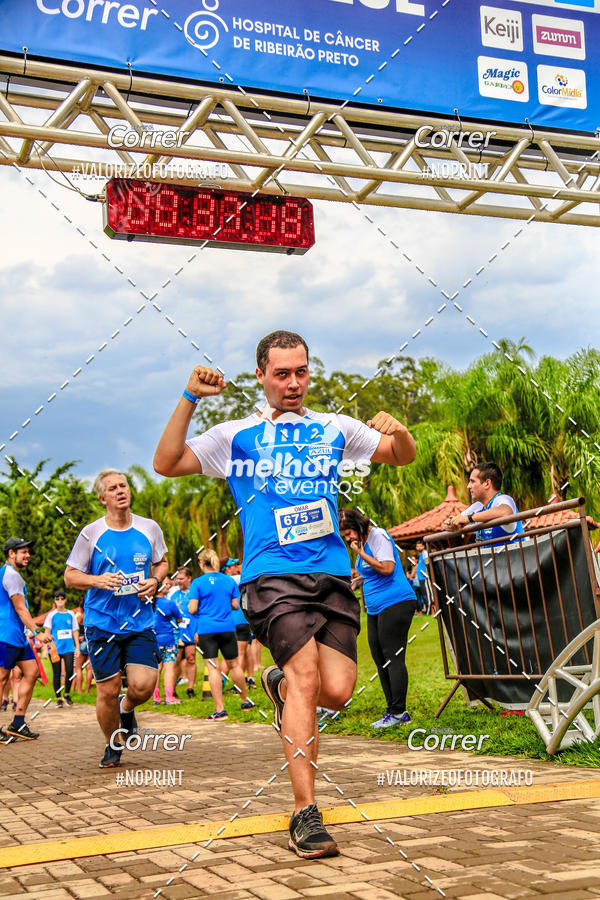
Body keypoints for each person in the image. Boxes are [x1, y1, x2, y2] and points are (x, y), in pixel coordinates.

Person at [153, 329, 415, 859]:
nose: (293, 383)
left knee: (338, 691)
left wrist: (400, 429)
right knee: (307, 679)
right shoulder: (237, 436)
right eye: (281, 374)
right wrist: (189, 398)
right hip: (271, 577)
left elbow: (400, 455)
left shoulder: (333, 429)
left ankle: (278, 687)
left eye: (301, 372)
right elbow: (166, 461)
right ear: (261, 376)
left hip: (333, 578)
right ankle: (305, 812)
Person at [64, 469, 168, 768]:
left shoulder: (149, 528)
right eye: (112, 488)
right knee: (107, 690)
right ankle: (113, 745)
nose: (120, 490)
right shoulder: (91, 533)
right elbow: (71, 576)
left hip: (139, 621)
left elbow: (161, 562)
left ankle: (128, 707)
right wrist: (98, 580)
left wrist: (156, 580)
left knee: (143, 686)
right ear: (102, 498)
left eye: (123, 485)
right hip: (101, 623)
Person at [339, 509, 418, 729]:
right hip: (375, 608)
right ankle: (391, 709)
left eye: (348, 534)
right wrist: (357, 581)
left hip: (396, 602)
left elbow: (386, 567)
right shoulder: (362, 541)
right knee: (379, 657)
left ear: (358, 525)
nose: (348, 539)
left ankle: (399, 712)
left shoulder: (378, 536)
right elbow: (370, 571)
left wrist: (361, 553)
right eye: (345, 536)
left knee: (393, 657)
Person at [188, 549, 253, 719]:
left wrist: (202, 607)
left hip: (207, 630)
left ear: (202, 563)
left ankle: (220, 709)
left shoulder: (197, 583)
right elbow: (235, 605)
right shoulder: (229, 581)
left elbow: (192, 608)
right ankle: (245, 701)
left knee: (213, 668)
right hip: (227, 628)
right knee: (235, 665)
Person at [0, 537, 52, 742]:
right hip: (6, 635)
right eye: (23, 552)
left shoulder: (11, 575)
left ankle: (18, 722)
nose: (28, 555)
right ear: (11, 554)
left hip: (17, 637)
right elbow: (20, 608)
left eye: (28, 551)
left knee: (32, 672)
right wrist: (36, 631)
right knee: (2, 679)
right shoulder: (11, 575)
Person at [445, 462, 524, 544]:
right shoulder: (477, 506)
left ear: (487, 483)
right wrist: (450, 524)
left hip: (518, 555)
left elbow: (505, 513)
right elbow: (456, 520)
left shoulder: (503, 499)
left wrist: (469, 518)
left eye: (472, 481)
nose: (468, 486)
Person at [220, 556, 256, 689]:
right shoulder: (237, 578)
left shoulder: (220, 581)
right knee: (241, 653)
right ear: (227, 569)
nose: (237, 567)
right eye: (233, 565)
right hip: (241, 619)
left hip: (226, 620)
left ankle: (221, 683)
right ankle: (238, 686)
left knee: (226, 655)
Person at [44, 590, 80, 707]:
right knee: (57, 673)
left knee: (70, 671)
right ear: (54, 601)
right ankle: (58, 698)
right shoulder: (51, 615)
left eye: (62, 598)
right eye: (57, 598)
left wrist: (77, 648)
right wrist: (45, 649)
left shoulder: (71, 614)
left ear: (65, 600)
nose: (60, 601)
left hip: (69, 648)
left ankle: (67, 694)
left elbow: (75, 631)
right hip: (55, 649)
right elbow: (47, 632)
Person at [152, 584, 183, 706]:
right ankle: (169, 697)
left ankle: (156, 697)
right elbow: (179, 619)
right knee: (169, 668)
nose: (168, 586)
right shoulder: (169, 603)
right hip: (168, 640)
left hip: (153, 641)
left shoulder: (147, 603)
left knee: (157, 669)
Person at [171, 566, 197, 698]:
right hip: (177, 633)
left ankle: (190, 688)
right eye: (177, 579)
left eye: (181, 578)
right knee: (175, 660)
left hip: (191, 631)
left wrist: (198, 631)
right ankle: (172, 690)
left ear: (189, 578)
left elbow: (200, 613)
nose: (178, 581)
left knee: (191, 658)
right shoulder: (174, 595)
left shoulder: (195, 593)